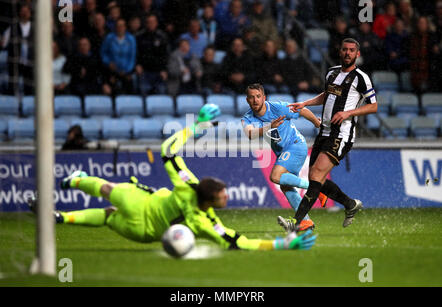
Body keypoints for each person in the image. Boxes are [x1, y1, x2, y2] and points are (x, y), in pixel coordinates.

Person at [32, 105, 316, 252]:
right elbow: (238, 242)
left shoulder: (186, 184)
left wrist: (197, 125)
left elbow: (167, 151)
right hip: (145, 233)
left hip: (140, 203)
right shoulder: (203, 221)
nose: (226, 196)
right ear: (211, 200)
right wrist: (281, 245)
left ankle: (77, 181)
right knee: (107, 214)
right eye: (223, 195)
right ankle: (60, 216)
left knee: (107, 190)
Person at [283, 38, 378, 231]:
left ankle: (297, 222)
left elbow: (374, 106)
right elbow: (327, 95)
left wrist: (348, 113)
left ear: (357, 54)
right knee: (315, 178)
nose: (348, 53)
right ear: (340, 51)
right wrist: (305, 103)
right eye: (345, 49)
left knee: (317, 174)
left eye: (352, 50)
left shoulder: (361, 78)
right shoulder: (332, 72)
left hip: (341, 134)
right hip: (324, 131)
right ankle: (350, 204)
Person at [241, 83, 327, 232]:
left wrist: (317, 124)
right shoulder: (247, 118)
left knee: (275, 176)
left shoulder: (277, 107)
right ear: (247, 100)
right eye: (251, 97)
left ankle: (317, 189)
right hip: (283, 153)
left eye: (258, 96)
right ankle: (305, 221)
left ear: (264, 97)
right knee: (286, 186)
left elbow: (301, 110)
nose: (255, 100)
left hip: (296, 145)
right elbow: (250, 134)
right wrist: (270, 127)